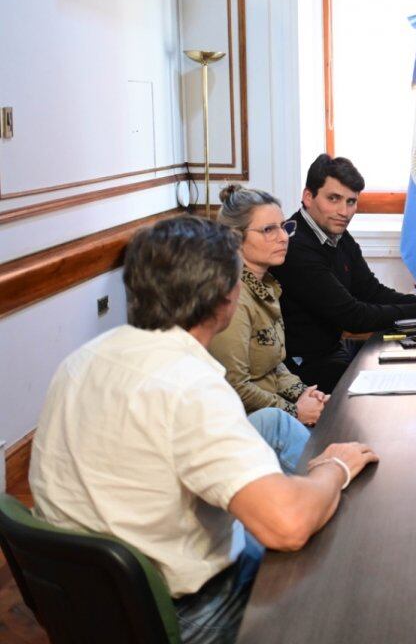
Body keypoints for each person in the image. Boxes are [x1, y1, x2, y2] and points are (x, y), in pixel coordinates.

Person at [29, 216, 379, 642]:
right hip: (183, 615)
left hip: (87, 605)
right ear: (226, 300)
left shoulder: (80, 360)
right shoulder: (190, 387)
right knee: (329, 567)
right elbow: (286, 527)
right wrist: (334, 469)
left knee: (269, 428)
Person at [273, 154, 416, 392]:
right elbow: (353, 316)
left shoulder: (337, 235)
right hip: (301, 366)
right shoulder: (296, 246)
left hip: (332, 352)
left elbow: (371, 291)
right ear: (308, 197)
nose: (343, 211)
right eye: (333, 199)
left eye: (351, 202)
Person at [209, 184, 328, 425]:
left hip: (274, 412)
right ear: (235, 237)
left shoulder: (267, 286)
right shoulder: (232, 297)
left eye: (283, 227)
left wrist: (303, 392)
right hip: (247, 423)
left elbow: (273, 365)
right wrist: (295, 412)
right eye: (268, 230)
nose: (283, 237)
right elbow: (234, 385)